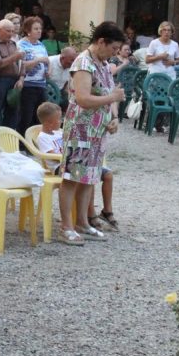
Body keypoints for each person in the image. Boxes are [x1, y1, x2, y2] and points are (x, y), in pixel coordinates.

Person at [57, 21, 125, 245]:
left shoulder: (104, 64)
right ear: (101, 41)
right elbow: (83, 98)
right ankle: (66, 226)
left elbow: (110, 92)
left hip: (97, 131)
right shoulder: (83, 62)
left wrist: (113, 117)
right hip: (80, 129)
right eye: (113, 48)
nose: (115, 54)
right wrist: (111, 100)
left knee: (89, 177)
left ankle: (82, 222)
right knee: (72, 177)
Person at [16, 16, 51, 132]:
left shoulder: (41, 45)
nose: (39, 31)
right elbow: (21, 65)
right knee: (26, 117)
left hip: (41, 85)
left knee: (40, 117)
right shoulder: (21, 45)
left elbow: (47, 61)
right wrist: (38, 60)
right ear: (28, 31)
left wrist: (48, 70)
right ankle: (22, 145)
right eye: (36, 29)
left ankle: (36, 143)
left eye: (40, 29)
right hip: (27, 86)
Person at [0, 18, 23, 130]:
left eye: (12, 31)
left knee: (13, 114)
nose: (11, 34)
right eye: (8, 31)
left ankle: (9, 141)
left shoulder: (15, 44)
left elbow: (23, 63)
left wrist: (21, 78)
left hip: (14, 82)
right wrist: (14, 57)